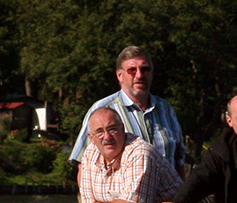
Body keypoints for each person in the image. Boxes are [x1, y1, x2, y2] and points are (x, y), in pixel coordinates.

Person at [71, 108, 181, 203]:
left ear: (122, 129)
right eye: (99, 132)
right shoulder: (89, 153)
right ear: (90, 137)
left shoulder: (140, 153)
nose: (107, 137)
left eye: (112, 129)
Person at [69, 46, 186, 177]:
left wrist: (183, 196)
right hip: (123, 196)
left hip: (169, 195)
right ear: (120, 76)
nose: (139, 75)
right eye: (132, 70)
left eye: (144, 69)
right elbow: (83, 165)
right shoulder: (101, 110)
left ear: (151, 73)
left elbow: (179, 160)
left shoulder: (165, 108)